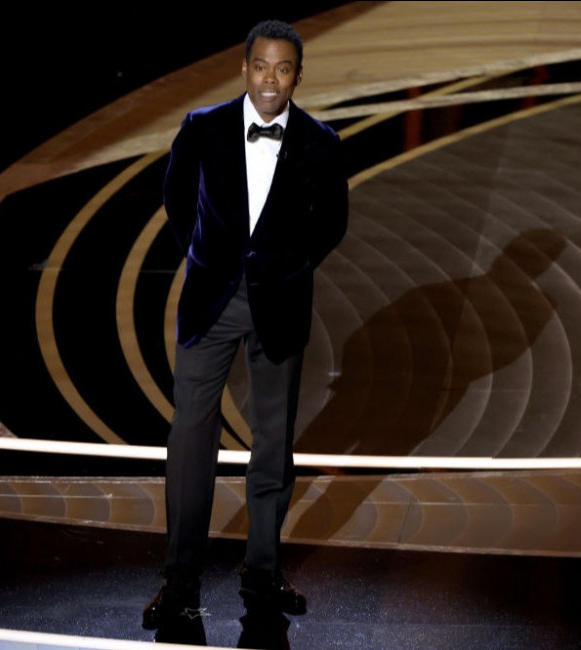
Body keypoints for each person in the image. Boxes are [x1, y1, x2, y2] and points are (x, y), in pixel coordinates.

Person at [143, 19, 348, 629]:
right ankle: (180, 580)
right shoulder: (202, 129)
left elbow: (330, 222)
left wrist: (285, 268)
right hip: (212, 302)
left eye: (283, 69)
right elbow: (178, 201)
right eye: (261, 66)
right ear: (244, 68)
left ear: (297, 76)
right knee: (189, 441)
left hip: (279, 306)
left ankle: (262, 574)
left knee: (273, 445)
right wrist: (208, 260)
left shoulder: (320, 141)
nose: (270, 79)